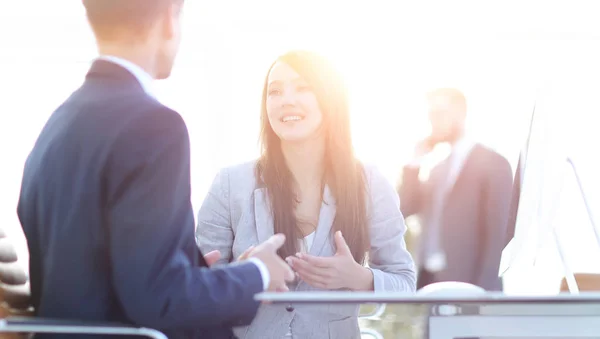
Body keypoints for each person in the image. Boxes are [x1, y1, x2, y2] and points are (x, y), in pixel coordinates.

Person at [16, 1, 294, 338]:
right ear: (167, 20)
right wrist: (257, 274)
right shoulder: (154, 126)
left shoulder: (57, 126)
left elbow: (99, 274)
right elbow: (159, 297)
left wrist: (203, 278)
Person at [196, 50, 416, 339]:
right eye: (274, 91)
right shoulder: (230, 183)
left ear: (330, 98)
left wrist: (358, 277)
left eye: (303, 88)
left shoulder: (370, 182)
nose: (286, 99)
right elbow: (196, 287)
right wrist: (242, 276)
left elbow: (404, 281)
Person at [398, 88, 513, 291]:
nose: (433, 122)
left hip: (469, 286)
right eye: (430, 115)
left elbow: (498, 237)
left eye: (439, 114)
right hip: (428, 281)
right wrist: (413, 163)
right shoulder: (436, 168)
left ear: (461, 113)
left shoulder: (494, 164)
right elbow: (404, 209)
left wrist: (483, 295)